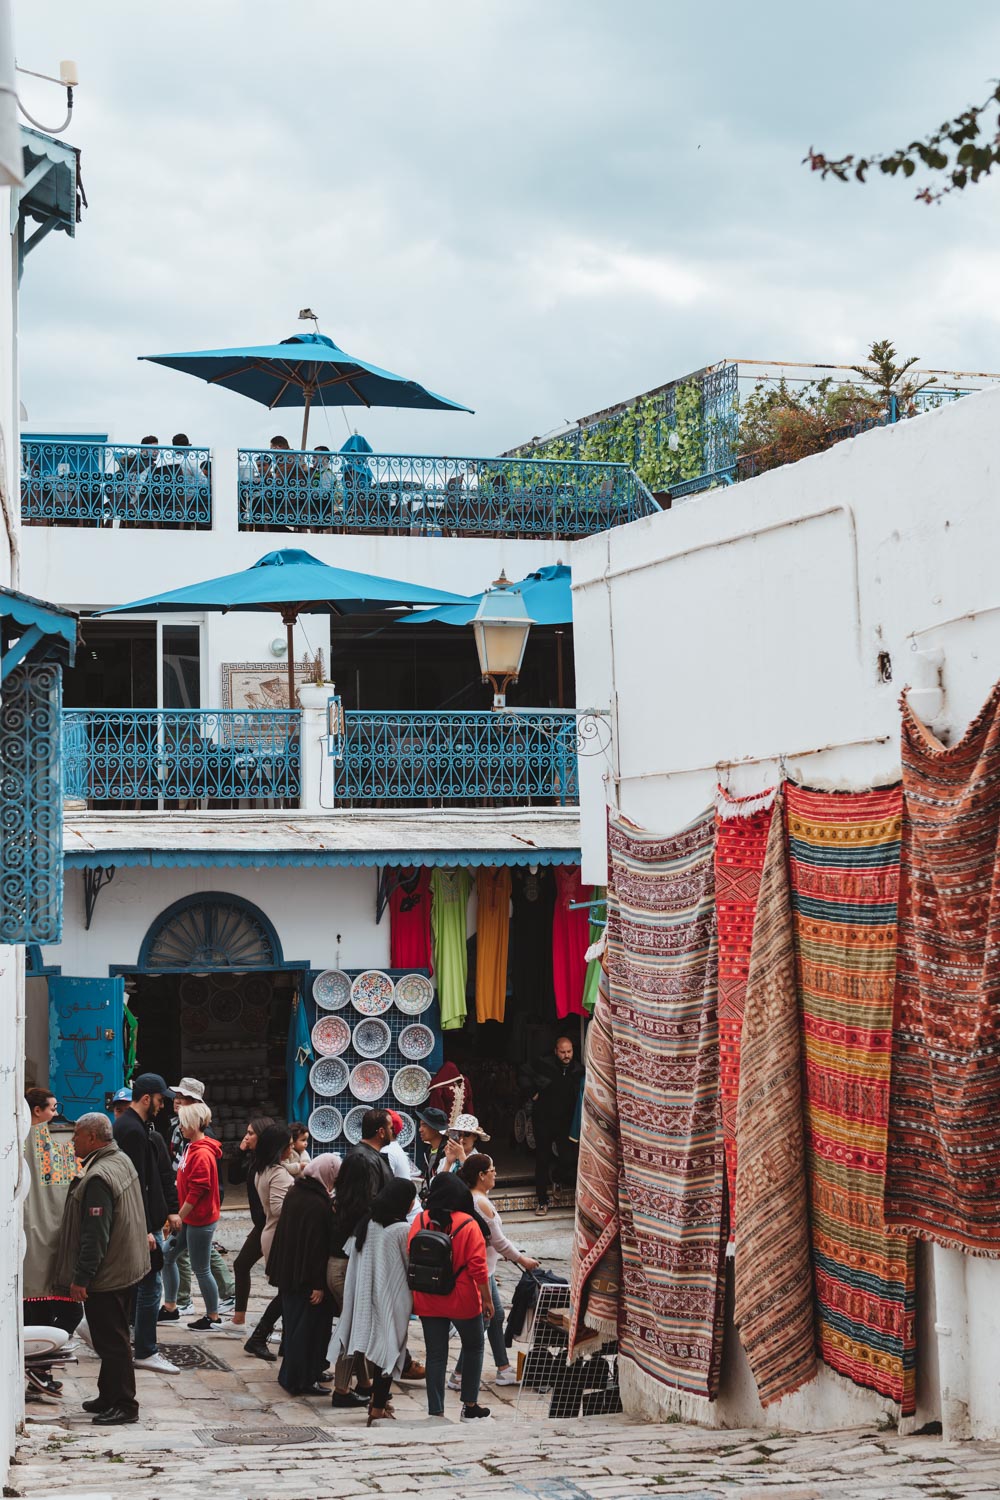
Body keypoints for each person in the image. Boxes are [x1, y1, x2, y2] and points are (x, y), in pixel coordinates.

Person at [53, 1112, 150, 1425]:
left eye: (77, 1135)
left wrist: (82, 1278)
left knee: (113, 1341)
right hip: (125, 1266)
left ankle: (125, 1404)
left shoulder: (98, 1176)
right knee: (112, 1337)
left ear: (92, 1138)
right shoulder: (118, 1159)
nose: (73, 1141)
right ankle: (108, 1394)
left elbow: (95, 1235)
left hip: (108, 1275)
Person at [329, 1179, 416, 1425]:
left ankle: (379, 1402)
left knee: (378, 1349)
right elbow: (408, 1264)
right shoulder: (401, 1230)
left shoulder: (369, 1221)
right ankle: (377, 1408)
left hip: (366, 1295)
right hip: (392, 1298)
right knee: (389, 1349)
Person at [408, 1173, 492, 1421]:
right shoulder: (468, 1224)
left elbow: (410, 1253)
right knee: (474, 1346)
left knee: (435, 1354)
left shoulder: (421, 1220)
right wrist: (487, 1299)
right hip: (462, 1298)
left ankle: (436, 1411)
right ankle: (470, 1406)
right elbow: (478, 1267)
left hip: (428, 1297)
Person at [112, 1072, 180, 1373]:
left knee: (141, 1283)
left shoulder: (137, 1127)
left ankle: (139, 1345)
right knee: (149, 1286)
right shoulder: (132, 1131)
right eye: (159, 1099)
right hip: (142, 1224)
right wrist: (142, 1230)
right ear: (145, 1098)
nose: (163, 1104)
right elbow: (133, 1183)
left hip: (146, 1221)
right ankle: (146, 1349)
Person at [327, 1114, 397, 1408]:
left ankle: (365, 1383)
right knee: (351, 1325)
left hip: (354, 1254)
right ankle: (341, 1390)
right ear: (381, 1131)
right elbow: (363, 1208)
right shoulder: (362, 1161)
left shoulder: (366, 1157)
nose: (394, 1131)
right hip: (349, 1259)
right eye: (391, 1128)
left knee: (360, 1324)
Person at [452, 1153, 539, 1389]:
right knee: (484, 1322)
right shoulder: (480, 1203)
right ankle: (459, 1375)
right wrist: (522, 1259)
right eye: (492, 1170)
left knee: (496, 1316)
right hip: (482, 1270)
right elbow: (498, 1241)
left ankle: (503, 1368)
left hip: (487, 1268)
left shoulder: (476, 1199)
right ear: (481, 1175)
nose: (495, 1174)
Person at [22, 1087, 80, 1397]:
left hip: (35, 1246)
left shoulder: (22, 1142)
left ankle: (37, 1372)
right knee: (66, 1313)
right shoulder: (56, 1144)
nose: (57, 1113)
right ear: (37, 1111)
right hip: (49, 1244)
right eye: (52, 1108)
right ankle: (37, 1370)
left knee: (39, 1314)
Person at [266, 1153, 339, 1396]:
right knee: (305, 1330)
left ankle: (301, 1374)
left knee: (296, 1326)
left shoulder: (298, 1192)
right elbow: (316, 1248)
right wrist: (318, 1285)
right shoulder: (317, 1203)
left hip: (290, 1273)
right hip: (305, 1279)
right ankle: (299, 1380)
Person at [165, 1077, 233, 1310]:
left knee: (200, 1263)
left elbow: (201, 1187)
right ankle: (176, 1303)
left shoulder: (202, 1144)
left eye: (182, 1098)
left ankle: (208, 1308)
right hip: (188, 1209)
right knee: (174, 1255)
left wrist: (179, 1214)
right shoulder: (181, 1132)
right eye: (176, 1096)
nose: (176, 1101)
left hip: (197, 1212)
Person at [161, 1102, 223, 1330]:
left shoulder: (202, 1154)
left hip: (199, 1220)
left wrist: (178, 1216)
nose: (180, 1127)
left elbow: (198, 1190)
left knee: (201, 1268)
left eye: (184, 1123)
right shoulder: (191, 1147)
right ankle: (170, 1307)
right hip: (190, 1219)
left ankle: (213, 1317)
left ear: (194, 1124)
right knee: (168, 1256)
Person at [213, 1115, 273, 1341]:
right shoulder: (254, 1159)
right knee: (241, 1265)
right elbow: (235, 1177)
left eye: (251, 1133)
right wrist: (240, 1151)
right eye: (246, 1132)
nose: (246, 1136)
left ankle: (274, 1328)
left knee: (277, 1277)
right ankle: (239, 1320)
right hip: (261, 1225)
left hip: (270, 1225)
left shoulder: (271, 1164)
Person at [243, 1121, 295, 1359]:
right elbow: (277, 1208)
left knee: (288, 1291)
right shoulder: (278, 1173)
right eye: (290, 1146)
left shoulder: (263, 1169)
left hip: (271, 1233)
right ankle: (259, 1337)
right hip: (279, 1236)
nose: (292, 1150)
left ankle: (285, 1343)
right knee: (288, 1292)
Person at [519, 1036, 584, 1215]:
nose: (566, 1055)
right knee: (542, 1159)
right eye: (562, 1052)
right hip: (544, 1120)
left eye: (569, 1052)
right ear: (556, 1051)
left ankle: (556, 1178)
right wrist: (532, 1093)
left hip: (565, 1122)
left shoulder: (578, 1070)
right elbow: (523, 1072)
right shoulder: (543, 1064)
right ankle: (542, 1201)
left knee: (568, 1158)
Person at [415, 1106, 449, 1189]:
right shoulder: (429, 1150)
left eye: (424, 1125)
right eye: (420, 1125)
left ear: (435, 1127)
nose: (420, 1129)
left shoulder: (447, 1151)